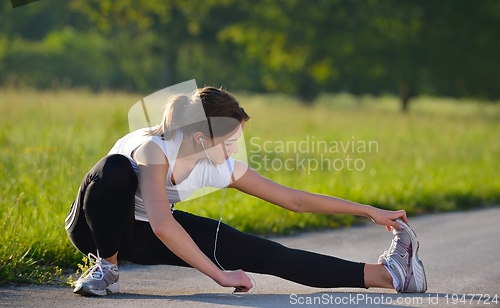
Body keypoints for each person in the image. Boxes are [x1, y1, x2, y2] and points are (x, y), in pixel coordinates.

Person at [65, 86, 427, 297]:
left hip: (143, 234)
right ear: (200, 138)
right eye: (229, 141)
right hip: (94, 228)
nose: (235, 149)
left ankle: (388, 274)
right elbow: (162, 223)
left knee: (266, 252)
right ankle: (106, 268)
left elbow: (294, 200)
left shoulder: (217, 163)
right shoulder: (154, 150)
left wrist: (368, 210)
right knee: (113, 170)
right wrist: (220, 275)